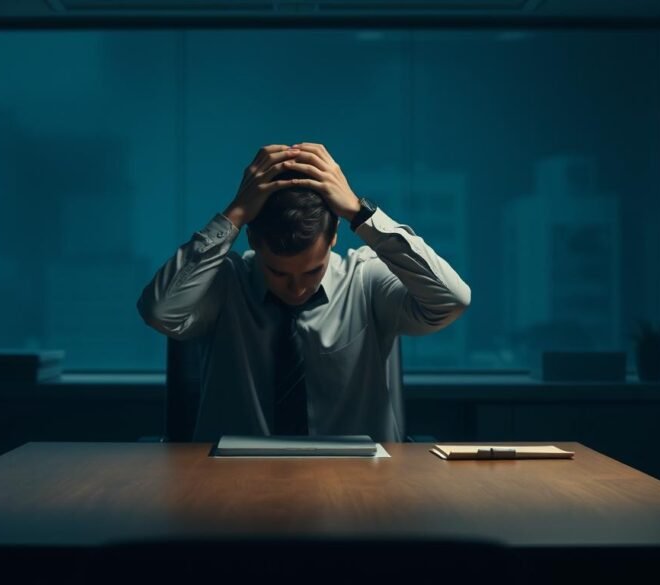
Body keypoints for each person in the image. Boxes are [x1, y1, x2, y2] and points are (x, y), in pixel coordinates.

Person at [138, 143, 471, 442]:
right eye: (278, 272)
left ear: (334, 236)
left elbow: (452, 300)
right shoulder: (225, 282)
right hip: (234, 479)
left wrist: (360, 213)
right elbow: (159, 312)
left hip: (360, 481)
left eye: (312, 271)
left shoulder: (364, 278)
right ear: (252, 240)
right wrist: (235, 213)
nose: (297, 288)